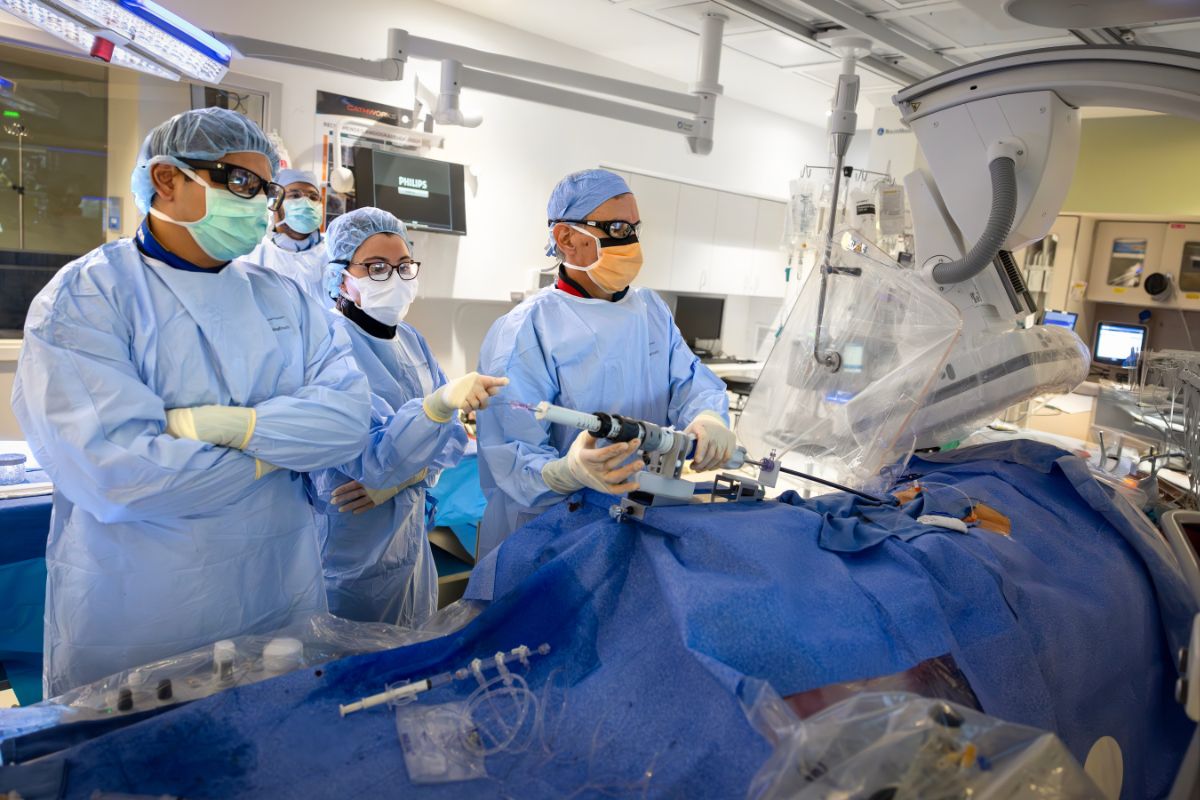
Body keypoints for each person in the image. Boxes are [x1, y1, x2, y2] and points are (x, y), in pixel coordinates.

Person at [11, 108, 372, 697]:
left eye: (266, 189)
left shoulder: (284, 297)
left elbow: (350, 421)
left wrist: (231, 428)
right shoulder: (87, 298)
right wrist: (277, 451)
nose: (260, 203)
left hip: (279, 591)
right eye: (240, 182)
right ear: (166, 179)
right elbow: (121, 475)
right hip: (145, 609)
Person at [474, 168, 735, 560]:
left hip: (638, 522)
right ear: (566, 237)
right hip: (552, 537)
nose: (630, 242)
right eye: (615, 227)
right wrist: (568, 472)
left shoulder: (649, 310)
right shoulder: (526, 329)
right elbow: (509, 454)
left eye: (634, 228)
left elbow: (692, 382)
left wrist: (708, 418)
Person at [308, 207, 507, 626]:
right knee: (350, 670)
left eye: (403, 266)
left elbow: (451, 438)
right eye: (376, 267)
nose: (395, 278)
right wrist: (431, 413)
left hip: (410, 547)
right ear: (341, 276)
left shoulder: (411, 340)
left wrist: (408, 476)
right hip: (351, 550)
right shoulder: (330, 346)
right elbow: (373, 463)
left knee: (410, 663)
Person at [246, 168, 328, 302]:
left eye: (313, 197)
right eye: (295, 196)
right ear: (274, 203)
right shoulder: (253, 254)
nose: (307, 203)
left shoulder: (332, 254)